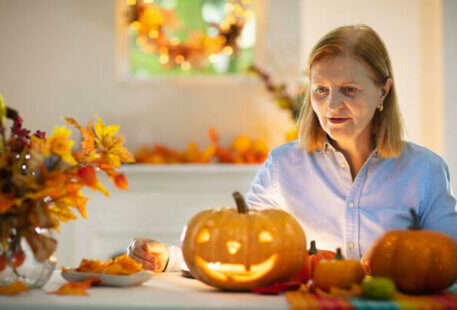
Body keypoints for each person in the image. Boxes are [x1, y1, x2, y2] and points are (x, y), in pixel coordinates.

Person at [127, 24, 457, 273]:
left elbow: (450, 257)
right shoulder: (284, 165)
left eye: (349, 90)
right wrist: (169, 257)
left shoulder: (425, 171)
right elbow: (239, 242)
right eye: (321, 90)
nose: (332, 105)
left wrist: (401, 260)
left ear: (383, 93)